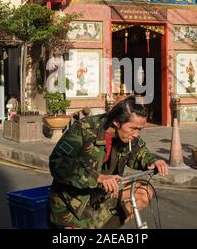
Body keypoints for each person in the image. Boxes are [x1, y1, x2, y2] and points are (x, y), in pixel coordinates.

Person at [49, 95, 168, 229]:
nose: (136, 134)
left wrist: (153, 161)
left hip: (103, 195)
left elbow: (139, 152)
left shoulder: (128, 136)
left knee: (143, 192)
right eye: (133, 128)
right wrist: (98, 178)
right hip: (74, 206)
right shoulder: (84, 129)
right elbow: (57, 163)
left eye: (139, 129)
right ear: (116, 122)